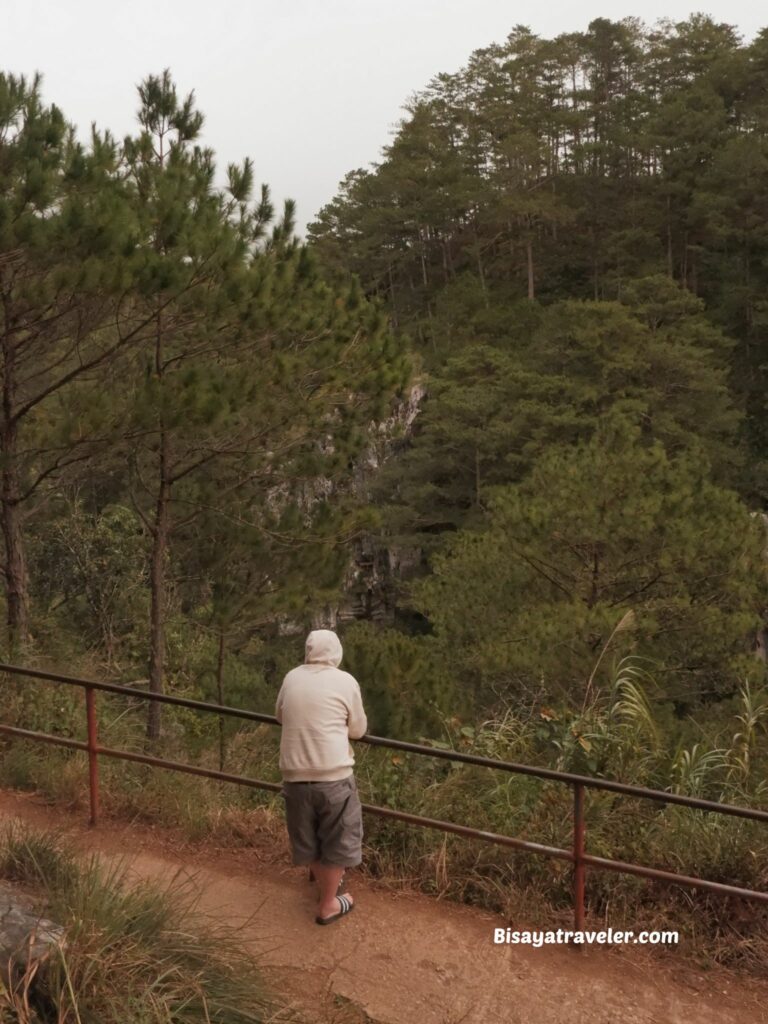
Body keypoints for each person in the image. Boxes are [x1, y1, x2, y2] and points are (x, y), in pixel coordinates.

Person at [275, 628, 367, 925]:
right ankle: (328, 903)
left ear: (308, 651)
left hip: (295, 776)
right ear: (337, 653)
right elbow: (358, 730)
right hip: (334, 776)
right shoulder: (346, 681)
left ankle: (325, 884)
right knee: (339, 838)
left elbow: (280, 715)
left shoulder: (291, 677)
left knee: (307, 838)